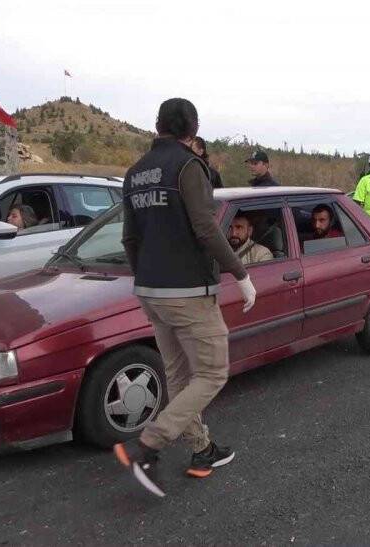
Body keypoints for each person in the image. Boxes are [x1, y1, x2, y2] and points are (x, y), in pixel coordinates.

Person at [116, 98, 257, 497]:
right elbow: (206, 228)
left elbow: (129, 238)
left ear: (157, 124)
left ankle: (202, 449)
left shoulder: (134, 173)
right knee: (212, 373)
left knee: (179, 376)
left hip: (150, 290)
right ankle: (147, 445)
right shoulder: (188, 167)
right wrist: (241, 274)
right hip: (188, 292)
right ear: (191, 130)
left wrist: (144, 275)